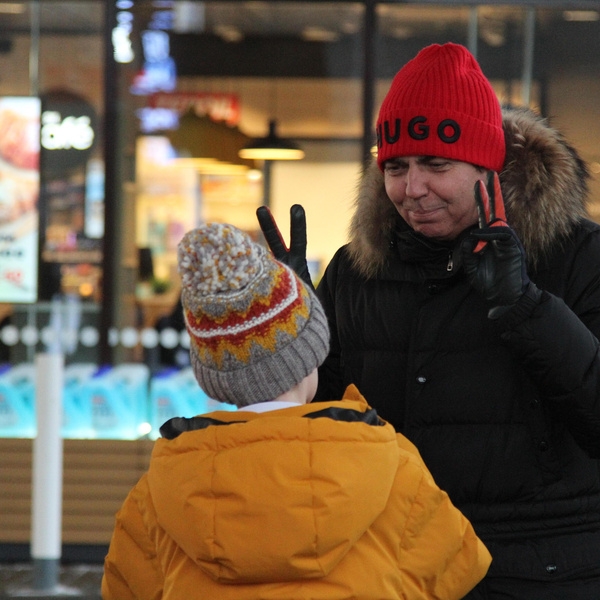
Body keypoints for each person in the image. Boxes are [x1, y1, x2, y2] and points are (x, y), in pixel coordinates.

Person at [257, 42, 600, 598]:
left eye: (436, 164)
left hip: (537, 569)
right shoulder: (358, 269)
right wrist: (289, 330)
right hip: (395, 567)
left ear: (487, 165)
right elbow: (313, 421)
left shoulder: (575, 255)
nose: (412, 190)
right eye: (395, 167)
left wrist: (525, 306)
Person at [101, 222, 490, 600]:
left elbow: (126, 587)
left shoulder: (157, 490)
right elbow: (456, 568)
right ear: (312, 355)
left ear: (212, 374)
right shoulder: (391, 463)